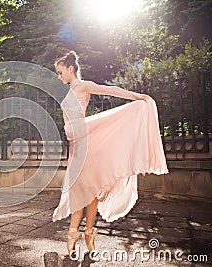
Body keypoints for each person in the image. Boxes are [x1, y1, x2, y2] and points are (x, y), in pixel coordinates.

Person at [52, 51, 168, 255]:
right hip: (76, 144)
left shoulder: (83, 86)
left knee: (87, 188)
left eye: (61, 72)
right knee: (83, 188)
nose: (59, 77)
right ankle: (81, 234)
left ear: (71, 69)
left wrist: (135, 96)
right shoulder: (70, 90)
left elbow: (110, 89)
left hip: (87, 140)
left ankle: (83, 234)